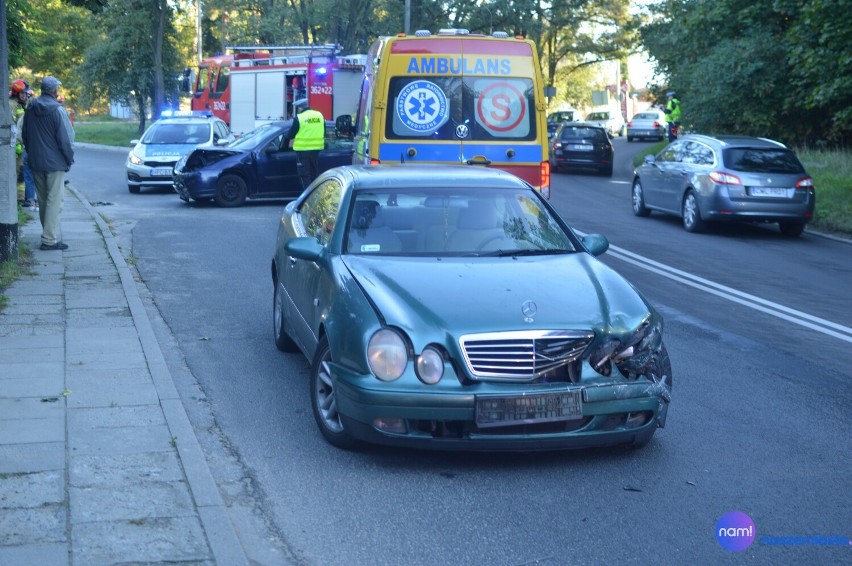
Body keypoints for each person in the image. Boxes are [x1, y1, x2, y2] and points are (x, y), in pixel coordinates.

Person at [22, 76, 75, 251]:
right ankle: (49, 239)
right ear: (54, 91)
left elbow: (25, 135)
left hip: (35, 161)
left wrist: (32, 154)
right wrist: (68, 158)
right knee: (55, 200)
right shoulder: (58, 110)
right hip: (55, 163)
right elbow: (66, 139)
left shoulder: (30, 108)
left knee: (43, 199)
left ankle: (48, 235)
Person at [9, 79, 37, 208]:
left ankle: (23, 198)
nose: (24, 95)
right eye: (22, 93)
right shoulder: (12, 105)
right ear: (16, 93)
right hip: (16, 145)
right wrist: (18, 144)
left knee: (23, 172)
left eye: (25, 93)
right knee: (19, 172)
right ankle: (19, 199)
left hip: (23, 144)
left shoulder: (23, 104)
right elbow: (12, 126)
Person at [287, 98, 325, 188]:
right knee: (314, 173)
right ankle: (316, 194)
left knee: (304, 175)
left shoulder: (300, 118)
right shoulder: (319, 115)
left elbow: (290, 135)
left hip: (303, 151)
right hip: (316, 150)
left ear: (300, 108)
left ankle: (308, 197)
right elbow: (324, 131)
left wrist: (287, 135)